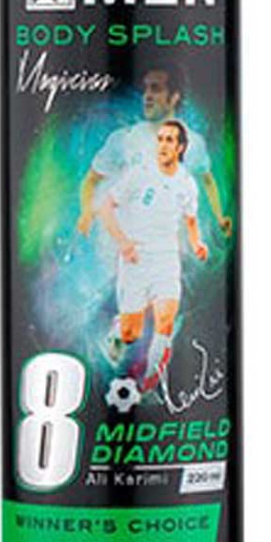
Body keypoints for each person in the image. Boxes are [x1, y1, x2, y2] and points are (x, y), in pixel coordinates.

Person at [97, 120, 208, 392]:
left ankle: (150, 379)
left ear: (180, 147)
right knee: (131, 333)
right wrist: (124, 243)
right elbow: (106, 207)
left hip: (166, 260)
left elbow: (190, 219)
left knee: (166, 321)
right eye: (160, 139)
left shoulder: (186, 184)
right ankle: (119, 331)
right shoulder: (140, 174)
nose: (163, 145)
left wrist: (197, 243)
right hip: (136, 259)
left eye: (169, 140)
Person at [77, 63, 233, 238]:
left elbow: (207, 180)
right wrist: (86, 213)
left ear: (174, 97)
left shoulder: (194, 143)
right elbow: (91, 179)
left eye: (156, 89)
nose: (147, 96)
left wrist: (219, 218)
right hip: (127, 244)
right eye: (146, 89)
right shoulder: (124, 139)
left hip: (170, 244)